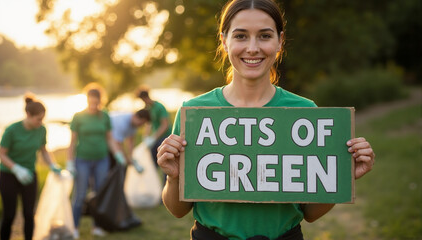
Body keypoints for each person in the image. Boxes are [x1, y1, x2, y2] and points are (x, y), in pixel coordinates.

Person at [157, 0, 376, 239]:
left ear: (280, 41)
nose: (252, 48)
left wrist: (340, 177)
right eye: (240, 36)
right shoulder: (195, 112)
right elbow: (178, 210)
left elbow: (311, 213)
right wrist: (173, 175)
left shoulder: (305, 112)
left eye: (264, 36)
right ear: (224, 40)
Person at [66, 83, 126, 239]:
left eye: (96, 102)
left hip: (101, 160)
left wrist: (118, 154)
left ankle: (97, 226)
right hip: (82, 160)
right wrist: (69, 162)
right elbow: (72, 142)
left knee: (99, 193)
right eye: (90, 102)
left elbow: (110, 139)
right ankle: (75, 228)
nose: (93, 105)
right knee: (80, 195)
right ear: (86, 100)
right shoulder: (78, 117)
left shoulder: (104, 115)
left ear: (100, 101)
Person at [0, 94, 62, 240]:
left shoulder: (42, 130)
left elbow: (44, 150)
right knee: (9, 215)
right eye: (38, 119)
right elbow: (2, 154)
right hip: (8, 175)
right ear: (28, 114)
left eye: (43, 119)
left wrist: (53, 165)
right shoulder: (12, 130)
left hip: (29, 175)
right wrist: (16, 168)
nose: (41, 122)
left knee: (29, 213)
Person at [137, 87, 171, 182]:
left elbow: (165, 125)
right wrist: (145, 136)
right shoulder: (148, 108)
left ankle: (166, 186)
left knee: (165, 163)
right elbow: (149, 123)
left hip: (164, 138)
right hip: (156, 139)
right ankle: (154, 186)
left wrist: (153, 137)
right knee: (152, 164)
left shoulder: (159, 107)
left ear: (145, 98)